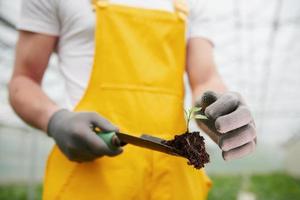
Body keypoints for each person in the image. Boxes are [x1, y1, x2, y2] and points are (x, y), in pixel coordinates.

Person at [9, 0, 256, 199]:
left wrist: (217, 110)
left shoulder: (191, 4)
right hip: (90, 177)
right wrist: (55, 119)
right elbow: (23, 81)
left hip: (174, 180)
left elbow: (204, 79)